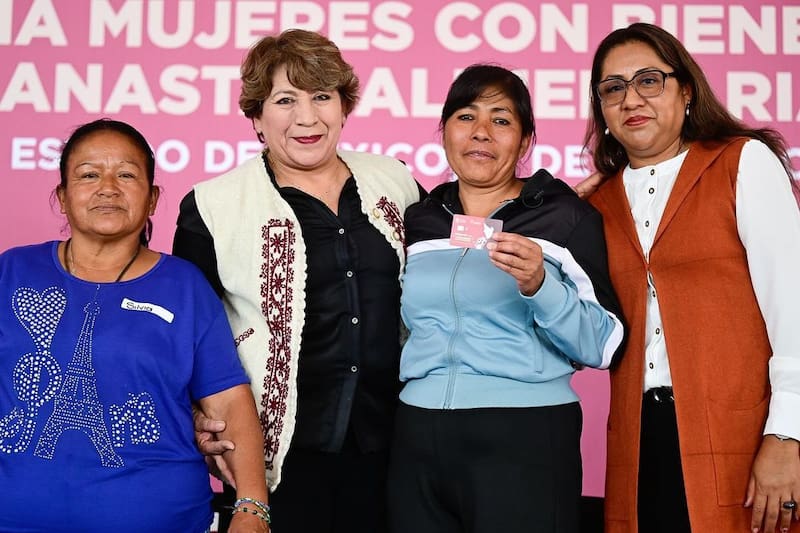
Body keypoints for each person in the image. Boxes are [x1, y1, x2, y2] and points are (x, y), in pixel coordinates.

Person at [172, 29, 422, 533]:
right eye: (285, 100)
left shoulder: (395, 180)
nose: (307, 118)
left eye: (322, 97)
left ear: (345, 107)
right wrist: (200, 417)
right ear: (256, 117)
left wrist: (537, 209)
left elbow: (454, 248)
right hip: (278, 460)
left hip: (397, 446)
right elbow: (190, 338)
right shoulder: (212, 207)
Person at [385, 64, 625, 533]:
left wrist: (541, 286)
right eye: (465, 116)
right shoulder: (419, 219)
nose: (481, 133)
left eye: (501, 120)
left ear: (525, 140)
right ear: (444, 130)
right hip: (417, 433)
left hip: (525, 435)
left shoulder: (563, 217)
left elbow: (604, 344)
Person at [580, 22, 800, 533]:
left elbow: (793, 306)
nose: (630, 98)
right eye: (613, 88)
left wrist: (787, 436)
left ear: (686, 90)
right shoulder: (597, 205)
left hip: (745, 431)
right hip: (638, 441)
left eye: (648, 80)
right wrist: (565, 211)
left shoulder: (742, 162)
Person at [0, 119, 269, 533]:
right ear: (62, 196)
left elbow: (229, 400)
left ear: (153, 198)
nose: (108, 187)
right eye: (89, 174)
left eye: (126, 174)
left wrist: (252, 509)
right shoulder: (12, 271)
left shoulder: (184, 285)